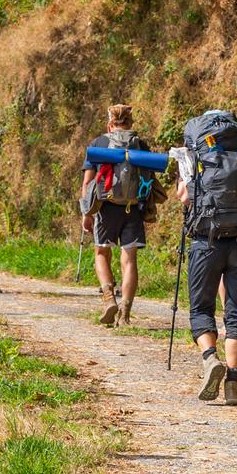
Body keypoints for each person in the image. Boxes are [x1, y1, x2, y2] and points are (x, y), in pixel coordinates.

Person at [175, 109, 237, 406]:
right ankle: (233, 383)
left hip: (207, 242)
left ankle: (209, 358)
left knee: (201, 307)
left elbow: (183, 196)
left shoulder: (195, 162)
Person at [80, 103, 156, 327]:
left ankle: (108, 299)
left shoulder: (99, 144)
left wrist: (87, 212)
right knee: (129, 259)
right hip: (133, 207)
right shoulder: (140, 144)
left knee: (102, 253)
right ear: (131, 123)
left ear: (110, 123)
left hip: (106, 206)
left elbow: (87, 182)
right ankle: (125, 313)